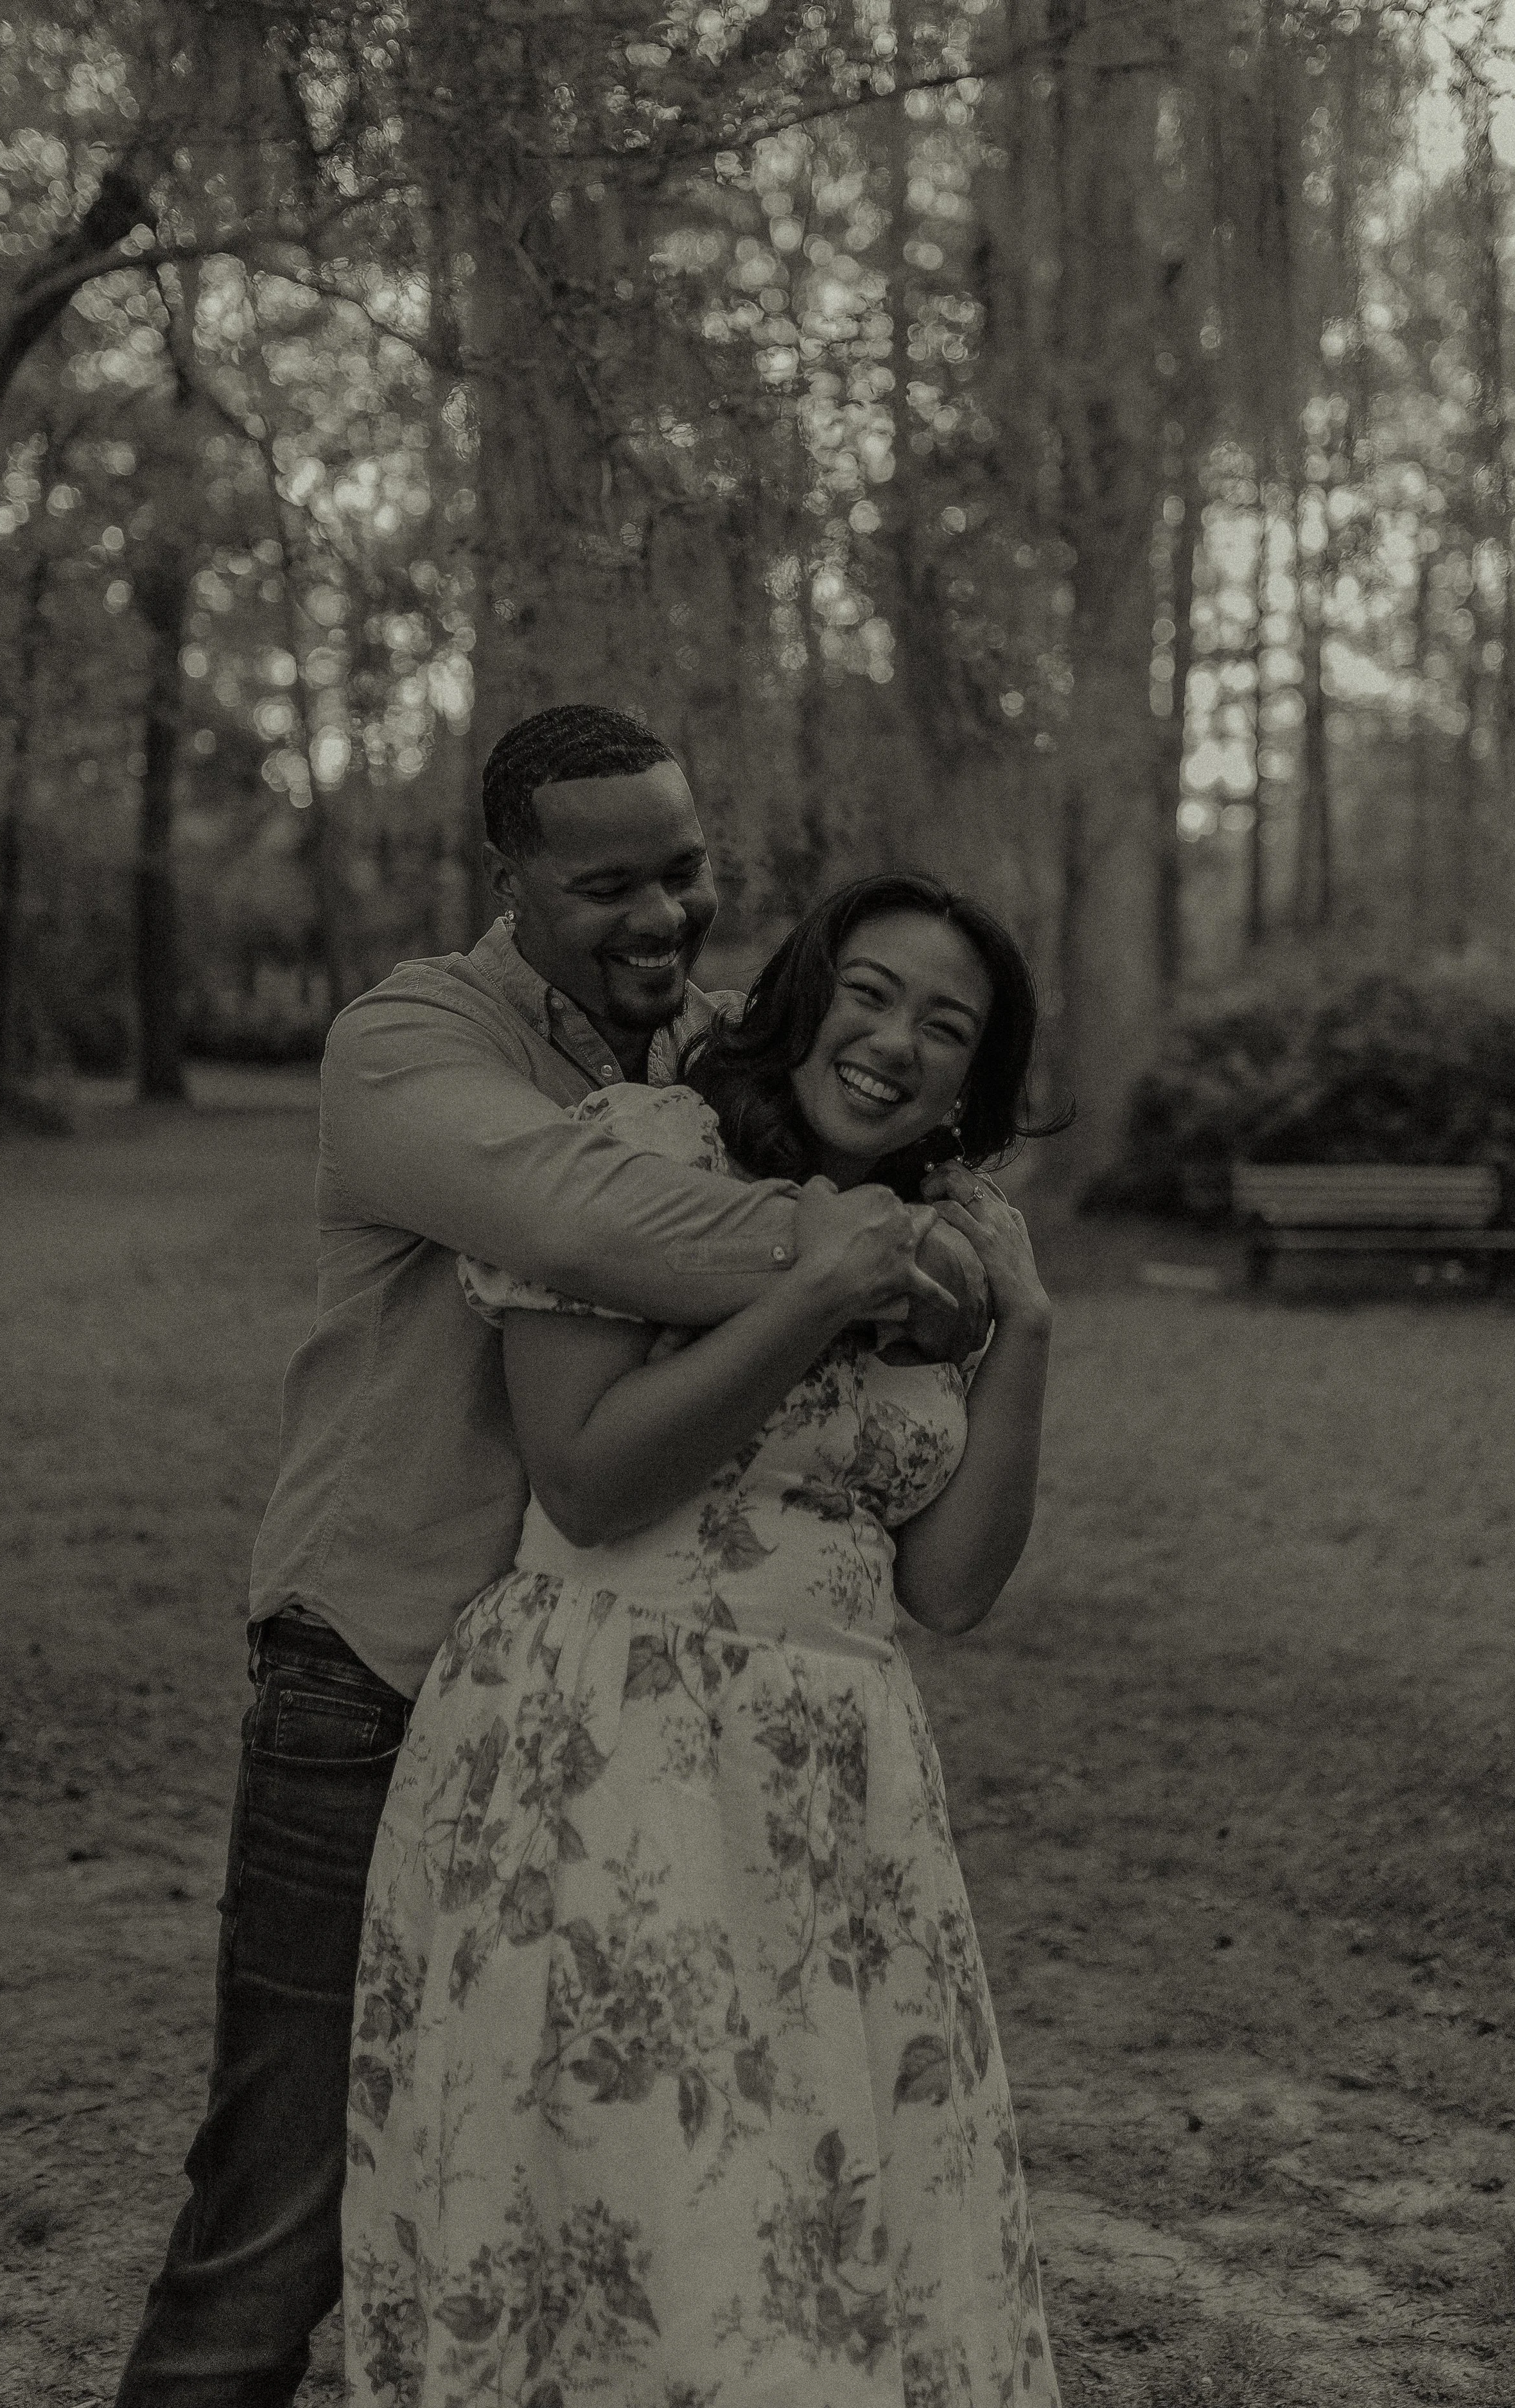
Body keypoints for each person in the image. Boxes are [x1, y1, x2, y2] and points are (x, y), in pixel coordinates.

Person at [115, 710, 983, 2406]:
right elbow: (585, 1224)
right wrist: (867, 1253)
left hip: (602, 1731)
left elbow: (905, 1176)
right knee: (282, 2206)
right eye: (606, 884)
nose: (660, 915)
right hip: (373, 1668)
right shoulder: (409, 1041)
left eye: (683, 867)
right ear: (502, 873)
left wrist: (921, 1247)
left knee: (585, 2192)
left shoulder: (722, 1051)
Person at [343, 873, 1062, 2407]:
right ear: (803, 994)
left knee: (824, 2218)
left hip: (841, 1789)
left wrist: (1028, 1337)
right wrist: (812, 1296)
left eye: (946, 1026)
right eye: (867, 993)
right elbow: (591, 1482)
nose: (893, 1043)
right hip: (611, 1740)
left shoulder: (954, 1246)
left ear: (973, 1074)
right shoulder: (648, 1154)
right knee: (648, 2215)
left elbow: (947, 1589)